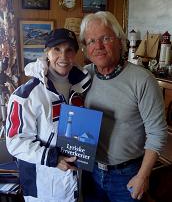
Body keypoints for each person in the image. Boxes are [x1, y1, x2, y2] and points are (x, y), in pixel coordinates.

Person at [79, 11, 167, 202]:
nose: (98, 46)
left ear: (120, 41)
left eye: (105, 38)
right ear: (85, 48)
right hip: (90, 171)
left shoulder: (142, 79)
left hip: (127, 175)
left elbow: (157, 132)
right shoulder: (83, 76)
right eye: (91, 41)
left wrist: (142, 176)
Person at [5, 28, 91, 202]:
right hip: (44, 188)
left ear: (75, 53)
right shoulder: (26, 95)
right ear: (47, 53)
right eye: (57, 49)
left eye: (69, 50)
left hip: (77, 183)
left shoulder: (83, 87)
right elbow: (15, 142)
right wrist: (54, 158)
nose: (64, 56)